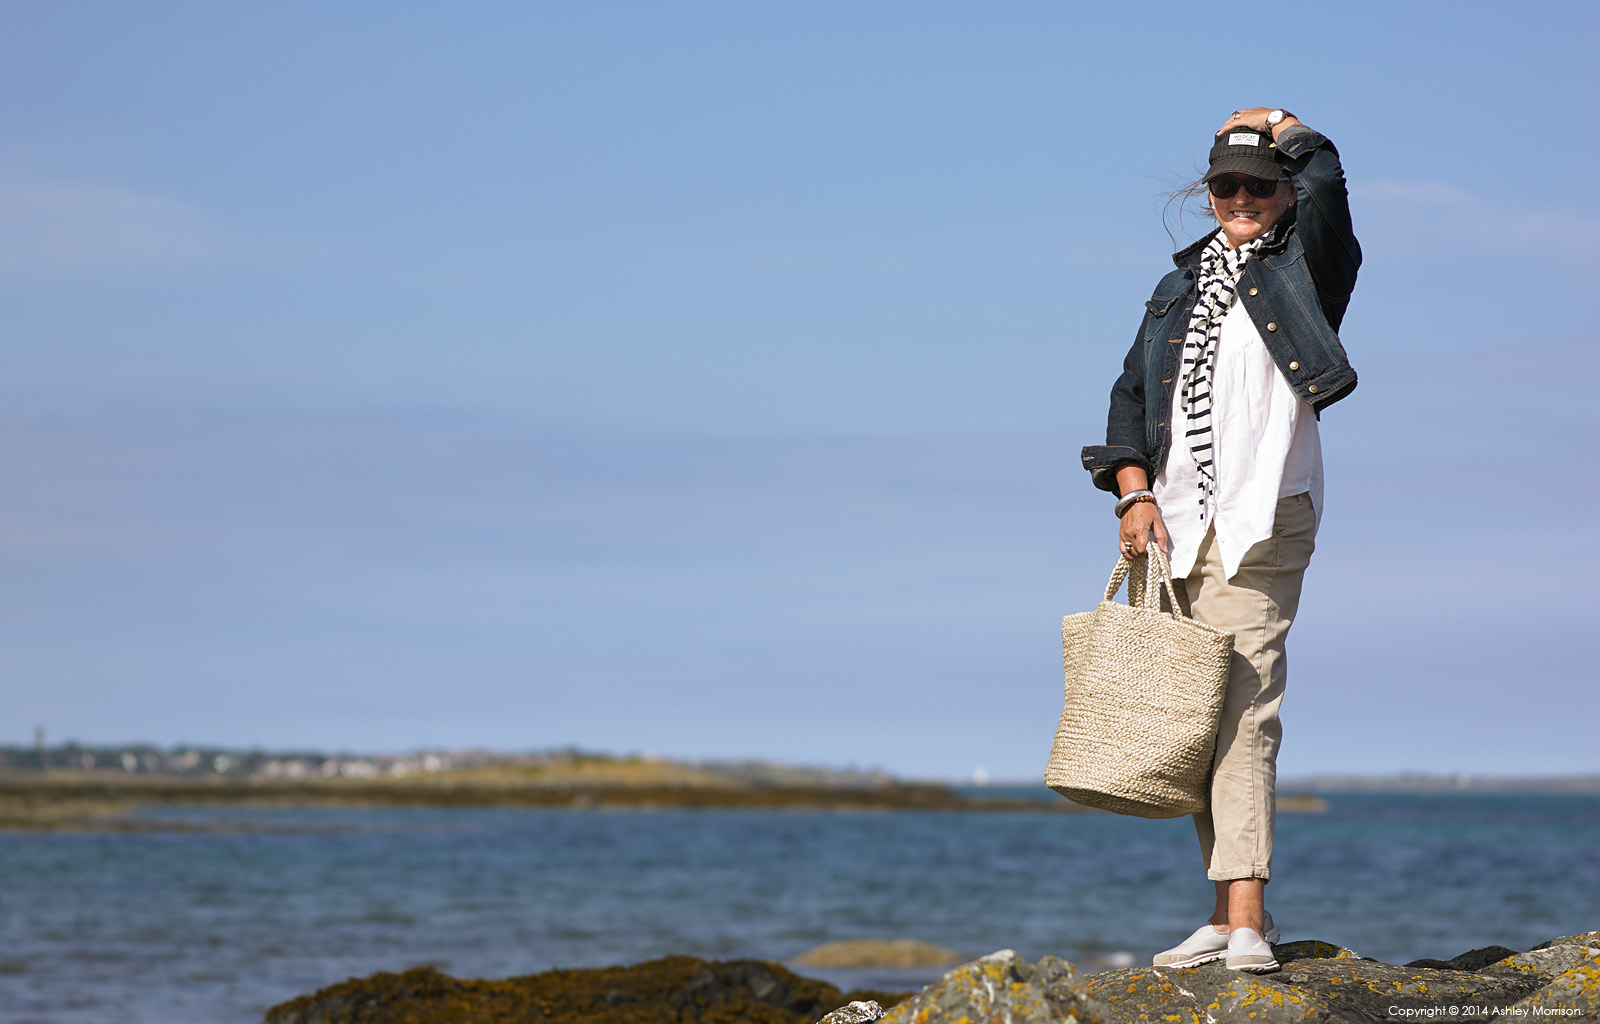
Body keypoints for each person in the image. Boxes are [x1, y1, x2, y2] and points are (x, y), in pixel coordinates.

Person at [1079, 108, 1360, 973]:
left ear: (1283, 195)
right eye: (1228, 185)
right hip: (1175, 522)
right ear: (1208, 196)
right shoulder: (1180, 284)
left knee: (1245, 703)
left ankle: (1245, 921)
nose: (1243, 198)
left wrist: (1278, 124)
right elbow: (1130, 397)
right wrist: (1132, 494)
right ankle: (1227, 913)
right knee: (1200, 715)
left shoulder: (1306, 267)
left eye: (1259, 186)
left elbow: (1327, 181)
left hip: (1264, 512)